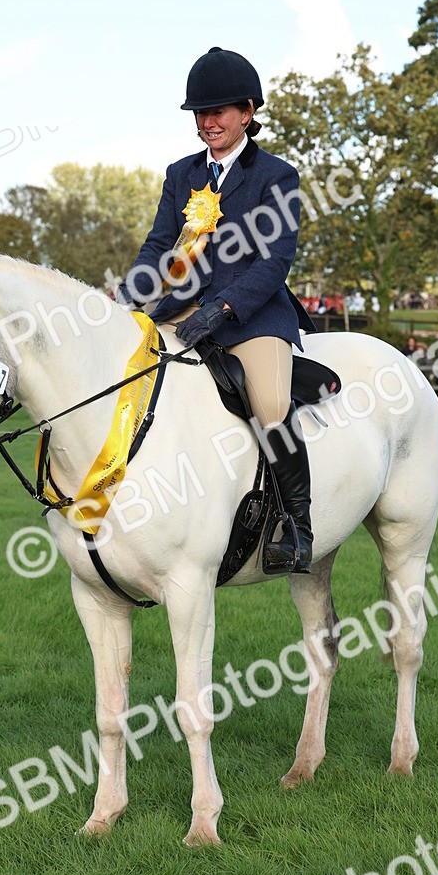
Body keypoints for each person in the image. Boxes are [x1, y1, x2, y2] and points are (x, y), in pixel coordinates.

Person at [117, 46, 314, 572]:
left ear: (247, 112)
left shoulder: (276, 176)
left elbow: (275, 261)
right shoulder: (180, 173)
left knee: (271, 403)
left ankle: (296, 524)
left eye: (218, 112)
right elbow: (160, 246)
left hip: (253, 316)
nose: (207, 123)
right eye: (200, 113)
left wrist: (224, 308)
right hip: (183, 309)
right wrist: (127, 296)